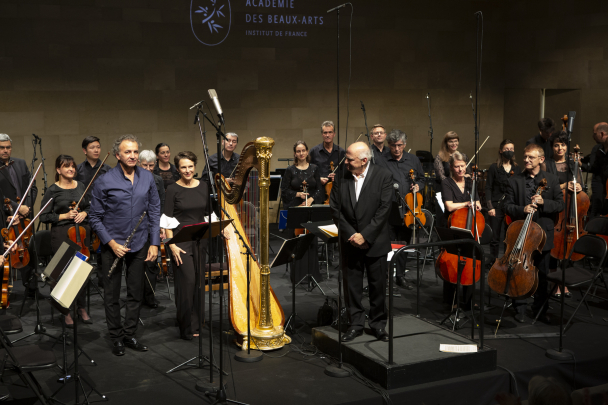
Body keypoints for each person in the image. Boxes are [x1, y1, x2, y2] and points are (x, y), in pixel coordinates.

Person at [89, 134, 161, 356]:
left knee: (135, 292)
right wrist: (110, 242)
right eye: (127, 152)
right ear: (118, 155)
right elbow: (94, 217)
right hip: (113, 245)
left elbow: (155, 211)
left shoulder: (147, 178)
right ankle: (116, 337)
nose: (132, 155)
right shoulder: (104, 181)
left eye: (135, 151)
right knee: (111, 295)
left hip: (139, 243)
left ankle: (129, 334)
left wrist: (154, 243)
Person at [329, 142, 393, 343]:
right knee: (352, 287)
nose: (345, 162)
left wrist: (365, 235)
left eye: (349, 159)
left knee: (378, 286)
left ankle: (378, 325)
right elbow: (335, 209)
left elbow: (384, 210)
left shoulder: (383, 176)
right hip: (350, 242)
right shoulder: (341, 176)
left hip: (375, 241)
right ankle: (355, 324)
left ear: (364, 160)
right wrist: (353, 235)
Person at [504, 144, 564, 323]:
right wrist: (522, 208)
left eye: (531, 157)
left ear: (541, 159)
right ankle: (520, 308)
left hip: (543, 235)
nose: (526, 160)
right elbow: (506, 206)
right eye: (525, 157)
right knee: (518, 271)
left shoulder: (551, 180)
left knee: (542, 274)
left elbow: (560, 204)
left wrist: (544, 201)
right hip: (521, 234)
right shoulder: (514, 181)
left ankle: (540, 309)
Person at [40, 155, 92, 327]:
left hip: (81, 233)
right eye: (66, 166)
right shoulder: (52, 190)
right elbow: (44, 216)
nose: (71, 169)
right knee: (62, 275)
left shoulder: (81, 186)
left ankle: (81, 307)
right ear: (58, 170)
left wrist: (84, 213)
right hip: (61, 234)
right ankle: (66, 311)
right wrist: (65, 215)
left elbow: (89, 206)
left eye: (72, 166)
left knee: (81, 272)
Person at [164, 151, 209, 340]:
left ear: (195, 166)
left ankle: (197, 323)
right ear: (177, 169)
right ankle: (186, 326)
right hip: (180, 241)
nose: (188, 170)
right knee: (187, 282)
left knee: (199, 283)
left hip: (201, 239)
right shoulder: (172, 189)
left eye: (190, 166)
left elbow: (207, 213)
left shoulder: (204, 186)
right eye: (183, 167)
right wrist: (171, 244)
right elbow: (166, 219)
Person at [378, 129, 425, 289]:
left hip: (407, 209)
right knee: (389, 243)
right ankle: (386, 276)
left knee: (403, 244)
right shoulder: (381, 160)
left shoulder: (413, 160)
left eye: (399, 145)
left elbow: (422, 179)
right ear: (388, 145)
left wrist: (419, 185)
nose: (396, 149)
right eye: (392, 146)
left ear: (404, 144)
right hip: (389, 208)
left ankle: (400, 276)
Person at [544, 131, 584, 298]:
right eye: (556, 145)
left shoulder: (573, 164)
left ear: (567, 147)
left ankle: (565, 281)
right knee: (555, 247)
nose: (560, 148)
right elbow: (546, 189)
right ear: (552, 147)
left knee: (568, 248)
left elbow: (580, 185)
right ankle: (554, 282)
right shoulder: (547, 164)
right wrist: (564, 186)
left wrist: (579, 187)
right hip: (555, 210)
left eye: (562, 145)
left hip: (570, 213)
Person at [440, 151, 482, 309]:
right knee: (453, 263)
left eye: (463, 166)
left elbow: (477, 202)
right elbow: (449, 206)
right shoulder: (447, 183)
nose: (460, 170)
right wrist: (466, 204)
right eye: (457, 167)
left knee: (471, 262)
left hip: (469, 227)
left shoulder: (471, 183)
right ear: (451, 167)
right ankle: (452, 300)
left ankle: (469, 300)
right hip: (453, 226)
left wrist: (477, 204)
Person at [280, 141, 324, 284]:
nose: (301, 153)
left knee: (311, 241)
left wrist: (311, 199)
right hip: (296, 210)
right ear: (295, 153)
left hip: (310, 209)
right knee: (297, 242)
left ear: (307, 152)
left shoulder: (314, 168)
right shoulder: (290, 170)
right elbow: (284, 191)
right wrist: (298, 195)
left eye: (303, 150)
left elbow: (320, 189)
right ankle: (298, 275)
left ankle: (312, 274)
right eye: (298, 151)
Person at [0, 134, 37, 296]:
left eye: (8, 147)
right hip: (5, 216)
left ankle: (32, 289)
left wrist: (26, 208)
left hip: (25, 216)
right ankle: (5, 293)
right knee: (8, 251)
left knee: (29, 249)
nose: (5, 150)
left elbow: (32, 187)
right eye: (2, 148)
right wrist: (16, 208)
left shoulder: (20, 163)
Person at [76, 135, 112, 289]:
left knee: (103, 249)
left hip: (103, 214)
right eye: (92, 147)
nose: (96, 150)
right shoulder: (77, 169)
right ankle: (83, 282)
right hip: (83, 213)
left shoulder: (107, 169)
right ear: (85, 150)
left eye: (98, 147)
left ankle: (104, 281)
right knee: (84, 248)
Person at [485, 140, 521, 260]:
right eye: (506, 149)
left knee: (509, 236)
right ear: (501, 151)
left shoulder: (517, 168)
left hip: (511, 207)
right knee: (495, 237)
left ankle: (506, 261)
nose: (509, 151)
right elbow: (488, 188)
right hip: (496, 206)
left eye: (511, 149)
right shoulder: (494, 167)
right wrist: (490, 207)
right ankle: (493, 261)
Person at [139, 150, 166, 309]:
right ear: (138, 164)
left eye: (151, 165)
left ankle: (149, 297)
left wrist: (160, 225)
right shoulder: (133, 179)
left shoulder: (157, 180)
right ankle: (136, 296)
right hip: (136, 227)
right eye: (145, 165)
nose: (148, 168)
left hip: (152, 226)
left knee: (151, 263)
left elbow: (161, 203)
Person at [309, 120, 346, 193]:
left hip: (336, 190)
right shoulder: (314, 151)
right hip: (318, 191)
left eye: (330, 132)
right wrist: (318, 179)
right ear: (322, 134)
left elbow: (345, 172)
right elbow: (308, 171)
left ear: (334, 134)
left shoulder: (341, 152)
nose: (327, 135)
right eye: (325, 132)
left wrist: (337, 177)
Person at [586, 122, 608, 217]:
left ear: (602, 134)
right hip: (599, 187)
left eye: (595, 134)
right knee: (595, 210)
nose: (593, 136)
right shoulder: (597, 149)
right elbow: (594, 168)